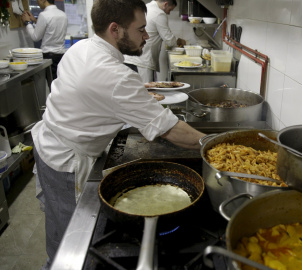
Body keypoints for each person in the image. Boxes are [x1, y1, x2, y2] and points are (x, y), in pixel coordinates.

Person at [31, 0, 205, 268]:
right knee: (67, 251)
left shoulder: (82, 48)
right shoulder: (115, 77)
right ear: (115, 29)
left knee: (57, 236)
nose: (146, 36)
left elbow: (102, 94)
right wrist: (216, 144)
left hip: (48, 145)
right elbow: (169, 129)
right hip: (64, 162)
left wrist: (139, 93)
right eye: (141, 29)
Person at [124, 0, 186, 82]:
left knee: (134, 89)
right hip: (142, 61)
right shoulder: (159, 14)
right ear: (166, 4)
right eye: (169, 10)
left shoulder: (146, 7)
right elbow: (169, 40)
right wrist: (179, 41)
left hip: (130, 59)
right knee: (146, 91)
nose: (168, 13)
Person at [21, 0, 68, 80]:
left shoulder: (44, 15)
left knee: (52, 85)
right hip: (61, 55)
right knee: (59, 83)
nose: (37, 2)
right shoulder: (63, 14)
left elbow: (35, 37)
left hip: (49, 56)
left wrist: (27, 23)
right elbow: (50, 29)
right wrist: (36, 21)